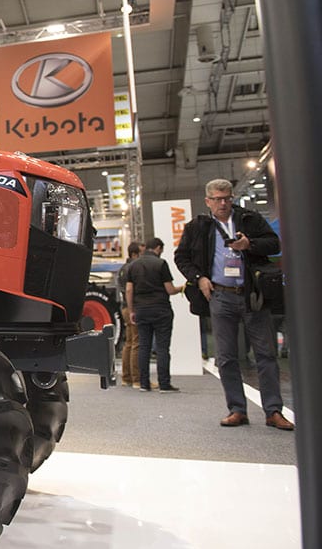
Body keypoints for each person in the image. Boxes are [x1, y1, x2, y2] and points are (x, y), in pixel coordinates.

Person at [174, 178, 293, 430]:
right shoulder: (198, 226)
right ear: (208, 201)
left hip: (252, 295)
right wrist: (199, 278)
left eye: (227, 198)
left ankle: (273, 411)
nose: (223, 203)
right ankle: (237, 409)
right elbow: (181, 257)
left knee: (265, 354)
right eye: (217, 199)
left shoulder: (250, 220)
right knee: (226, 357)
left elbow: (274, 244)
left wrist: (250, 244)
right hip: (220, 296)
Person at [125, 237, 181, 392]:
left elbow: (129, 290)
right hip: (161, 309)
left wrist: (131, 311)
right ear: (158, 248)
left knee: (144, 346)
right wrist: (182, 288)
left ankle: (144, 383)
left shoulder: (133, 265)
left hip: (141, 309)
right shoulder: (161, 264)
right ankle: (164, 384)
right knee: (162, 348)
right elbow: (169, 289)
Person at [117, 241, 143, 388]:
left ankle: (126, 377)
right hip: (132, 307)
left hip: (125, 307)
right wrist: (133, 309)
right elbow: (129, 290)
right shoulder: (132, 268)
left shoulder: (122, 268)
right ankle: (136, 379)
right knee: (136, 343)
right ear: (134, 254)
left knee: (129, 342)